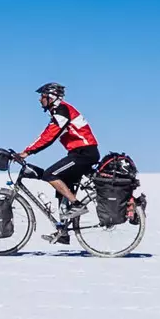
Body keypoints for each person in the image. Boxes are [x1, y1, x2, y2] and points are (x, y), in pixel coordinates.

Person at [22, 82, 99, 242]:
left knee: (50, 174)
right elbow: (47, 133)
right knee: (62, 187)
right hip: (79, 153)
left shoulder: (62, 110)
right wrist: (29, 149)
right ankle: (63, 232)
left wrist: (27, 151)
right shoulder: (58, 112)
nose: (39, 100)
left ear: (51, 97)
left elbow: (50, 135)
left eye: (42, 96)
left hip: (84, 153)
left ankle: (77, 205)